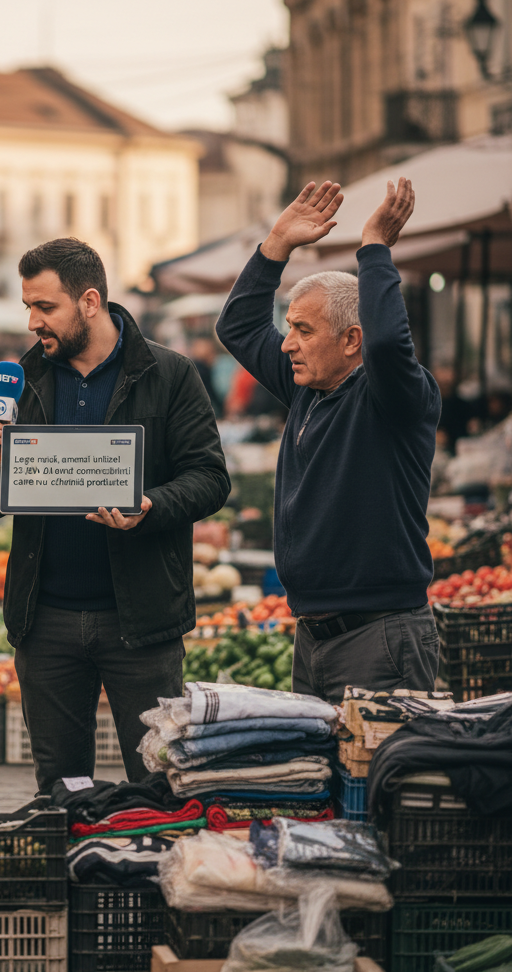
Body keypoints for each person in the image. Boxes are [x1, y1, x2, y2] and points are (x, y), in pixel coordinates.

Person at [0, 238, 230, 792]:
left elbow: (209, 479)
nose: (34, 322)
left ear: (89, 301)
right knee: (61, 790)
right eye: (28, 308)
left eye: (45, 307)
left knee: (157, 784)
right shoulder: (23, 379)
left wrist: (152, 504)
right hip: (46, 621)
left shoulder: (171, 373)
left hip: (141, 621)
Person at [215, 178, 441, 704]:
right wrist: (276, 244)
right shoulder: (306, 389)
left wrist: (375, 248)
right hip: (313, 638)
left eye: (304, 330)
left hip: (381, 636)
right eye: (289, 327)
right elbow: (238, 326)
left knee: (375, 783)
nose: (288, 342)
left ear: (351, 340)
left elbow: (388, 342)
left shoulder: (395, 399)